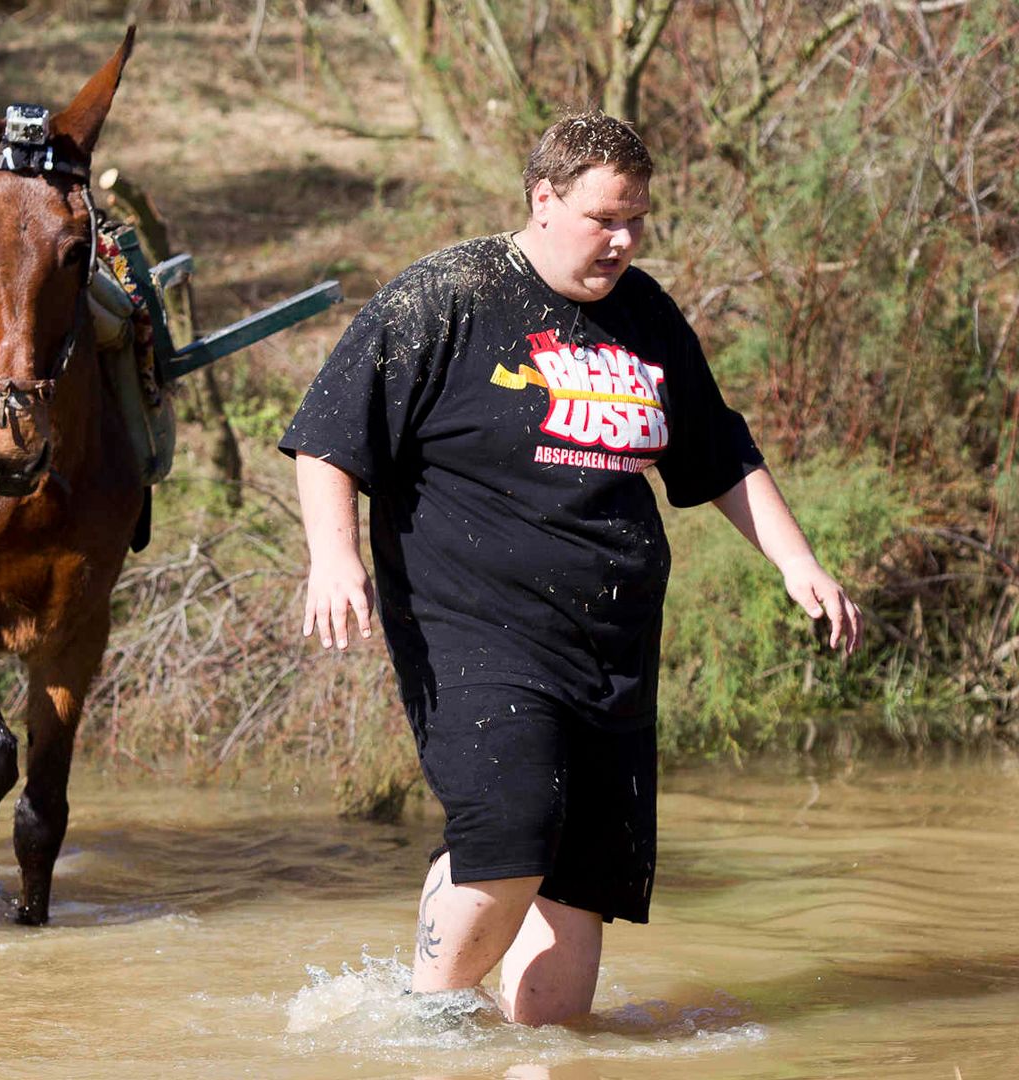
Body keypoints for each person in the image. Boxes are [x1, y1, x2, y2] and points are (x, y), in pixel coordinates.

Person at [281, 111, 862, 1025]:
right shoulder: (449, 295)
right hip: (474, 628)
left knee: (581, 888)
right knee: (510, 832)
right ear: (544, 199)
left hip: (612, 645)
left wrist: (799, 563)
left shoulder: (645, 315)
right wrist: (334, 557)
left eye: (636, 220)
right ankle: (420, 1031)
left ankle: (536, 1056)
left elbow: (717, 454)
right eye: (604, 219)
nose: (623, 240)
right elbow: (330, 440)